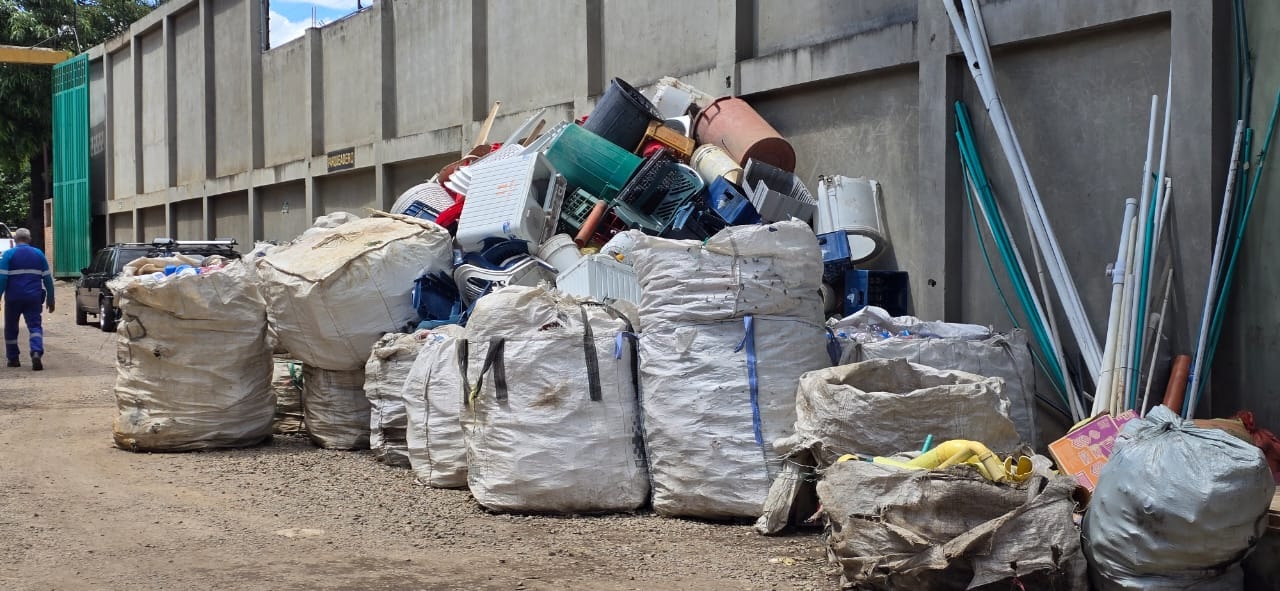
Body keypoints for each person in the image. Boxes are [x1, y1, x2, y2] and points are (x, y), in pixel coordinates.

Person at [0, 228, 54, 370]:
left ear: (15, 240)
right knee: (35, 326)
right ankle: (36, 351)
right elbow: (48, 278)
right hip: (33, 297)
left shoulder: (8, 255)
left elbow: (3, 278)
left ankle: (13, 359)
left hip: (13, 298)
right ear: (29, 240)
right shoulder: (38, 254)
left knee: (11, 328)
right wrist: (51, 298)